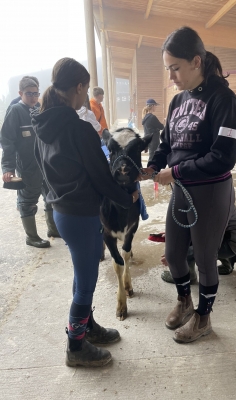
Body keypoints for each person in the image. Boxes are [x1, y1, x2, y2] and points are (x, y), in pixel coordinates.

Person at [32, 57, 139, 368]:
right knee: (87, 278)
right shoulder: (79, 129)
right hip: (80, 213)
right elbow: (101, 177)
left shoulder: (41, 124)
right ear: (78, 88)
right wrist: (127, 196)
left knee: (85, 271)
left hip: (64, 211)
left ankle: (87, 326)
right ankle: (76, 347)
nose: (86, 94)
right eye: (86, 88)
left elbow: (42, 170)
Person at [140, 26, 236, 344]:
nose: (171, 76)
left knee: (203, 257)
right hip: (182, 190)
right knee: (173, 254)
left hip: (211, 191)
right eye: (167, 68)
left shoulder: (224, 100)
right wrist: (154, 165)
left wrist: (177, 172)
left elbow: (223, 158)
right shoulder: (177, 102)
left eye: (175, 68)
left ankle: (204, 317)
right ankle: (184, 301)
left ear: (196, 61)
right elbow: (167, 143)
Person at [1, 76, 59, 248]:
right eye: (29, 94)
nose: (33, 97)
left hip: (45, 162)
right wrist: (8, 167)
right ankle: (31, 237)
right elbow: (7, 141)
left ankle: (53, 229)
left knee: (50, 195)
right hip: (27, 164)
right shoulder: (16, 111)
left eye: (36, 93)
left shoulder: (40, 109)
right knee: (28, 200)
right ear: (20, 93)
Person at [160, 204, 236, 282]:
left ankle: (187, 276)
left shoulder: (207, 205)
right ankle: (227, 265)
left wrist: (175, 255)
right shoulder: (218, 196)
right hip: (234, 241)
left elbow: (200, 236)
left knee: (187, 250)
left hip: (228, 245)